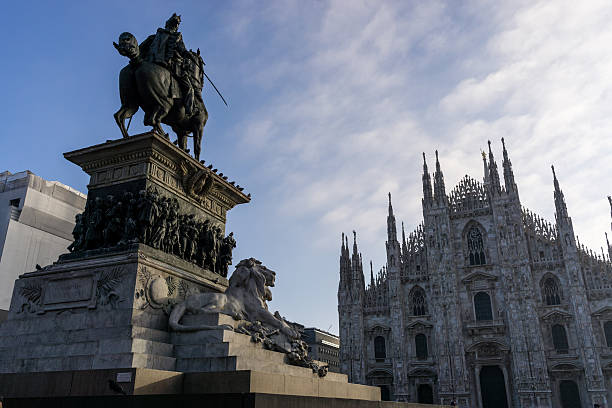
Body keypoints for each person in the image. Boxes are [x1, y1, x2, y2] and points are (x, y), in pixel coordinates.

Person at [140, 13, 197, 116]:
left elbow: (141, 49)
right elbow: (182, 49)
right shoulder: (176, 36)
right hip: (172, 65)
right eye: (177, 25)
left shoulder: (155, 36)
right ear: (176, 26)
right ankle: (190, 111)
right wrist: (189, 54)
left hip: (152, 61)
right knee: (189, 88)